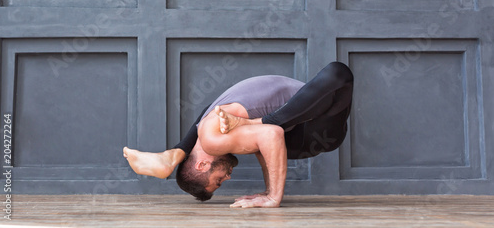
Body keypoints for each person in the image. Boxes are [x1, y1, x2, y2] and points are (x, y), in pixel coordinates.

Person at [124, 61, 353, 208]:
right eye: (222, 183)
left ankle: (174, 153)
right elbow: (268, 138)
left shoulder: (211, 142)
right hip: (314, 129)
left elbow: (271, 136)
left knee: (338, 72)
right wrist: (268, 190)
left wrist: (273, 197)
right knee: (338, 73)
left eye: (218, 181)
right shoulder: (208, 129)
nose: (227, 178)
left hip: (311, 128)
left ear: (202, 165)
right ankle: (175, 153)